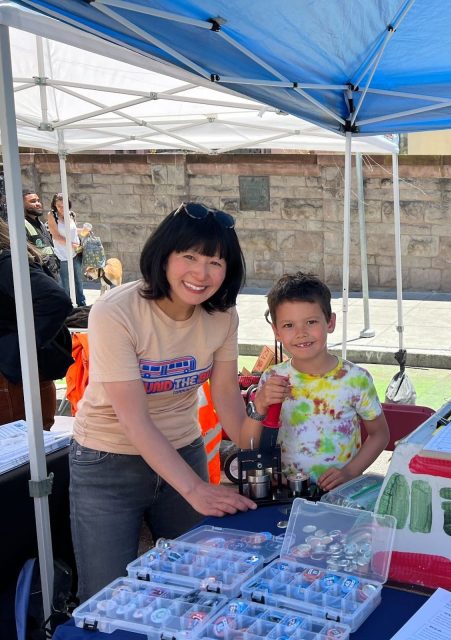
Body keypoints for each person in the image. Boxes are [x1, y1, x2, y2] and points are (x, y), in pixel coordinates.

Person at [70, 202, 256, 602]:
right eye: (188, 257)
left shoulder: (223, 315)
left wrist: (260, 445)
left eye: (215, 262)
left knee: (196, 582)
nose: (201, 273)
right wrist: (195, 489)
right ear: (164, 255)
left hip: (182, 447)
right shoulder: (115, 310)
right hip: (108, 461)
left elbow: (226, 396)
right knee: (107, 594)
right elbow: (133, 419)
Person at [241, 272, 390, 492]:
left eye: (311, 322)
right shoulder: (272, 378)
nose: (301, 333)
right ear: (276, 332)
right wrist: (260, 403)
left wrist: (351, 471)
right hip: (284, 493)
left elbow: (380, 434)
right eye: (289, 325)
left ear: (330, 322)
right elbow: (247, 446)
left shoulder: (355, 379)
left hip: (339, 493)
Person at [0, 218, 74, 429]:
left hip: (13, 381)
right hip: (16, 377)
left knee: (20, 454)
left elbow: (55, 300)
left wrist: (15, 350)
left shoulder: (6, 263)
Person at [48, 193, 86, 306]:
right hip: (62, 255)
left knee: (79, 282)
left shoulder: (71, 215)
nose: (61, 208)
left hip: (76, 254)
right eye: (59, 206)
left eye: (63, 205)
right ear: (54, 205)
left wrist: (84, 231)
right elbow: (56, 236)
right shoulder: (52, 215)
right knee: (65, 284)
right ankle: (67, 307)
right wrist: (71, 244)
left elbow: (73, 232)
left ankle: (82, 305)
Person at [23, 189, 60, 280]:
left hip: (52, 273)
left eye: (38, 201)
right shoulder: (22, 225)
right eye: (32, 201)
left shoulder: (40, 224)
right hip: (40, 277)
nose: (38, 203)